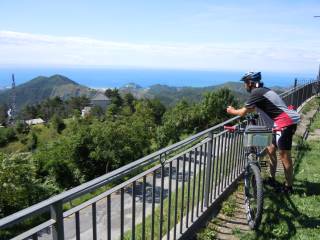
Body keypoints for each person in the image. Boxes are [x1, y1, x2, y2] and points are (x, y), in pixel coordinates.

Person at [226, 72, 300, 194]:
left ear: (250, 83)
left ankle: (288, 187)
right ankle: (271, 179)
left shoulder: (256, 92)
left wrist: (232, 110)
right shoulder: (263, 90)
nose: (245, 86)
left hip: (284, 124)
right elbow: (256, 107)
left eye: (245, 83)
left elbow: (242, 112)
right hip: (278, 125)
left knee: (284, 156)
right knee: (270, 149)